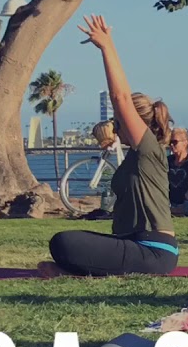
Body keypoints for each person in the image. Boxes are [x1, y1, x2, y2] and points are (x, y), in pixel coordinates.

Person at [40, 15, 179, 277]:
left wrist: (107, 46)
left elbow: (121, 98)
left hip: (154, 251)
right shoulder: (136, 157)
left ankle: (70, 271)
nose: (115, 124)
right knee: (70, 240)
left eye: (119, 121)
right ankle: (70, 271)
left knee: (64, 242)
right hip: (136, 244)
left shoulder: (148, 147)